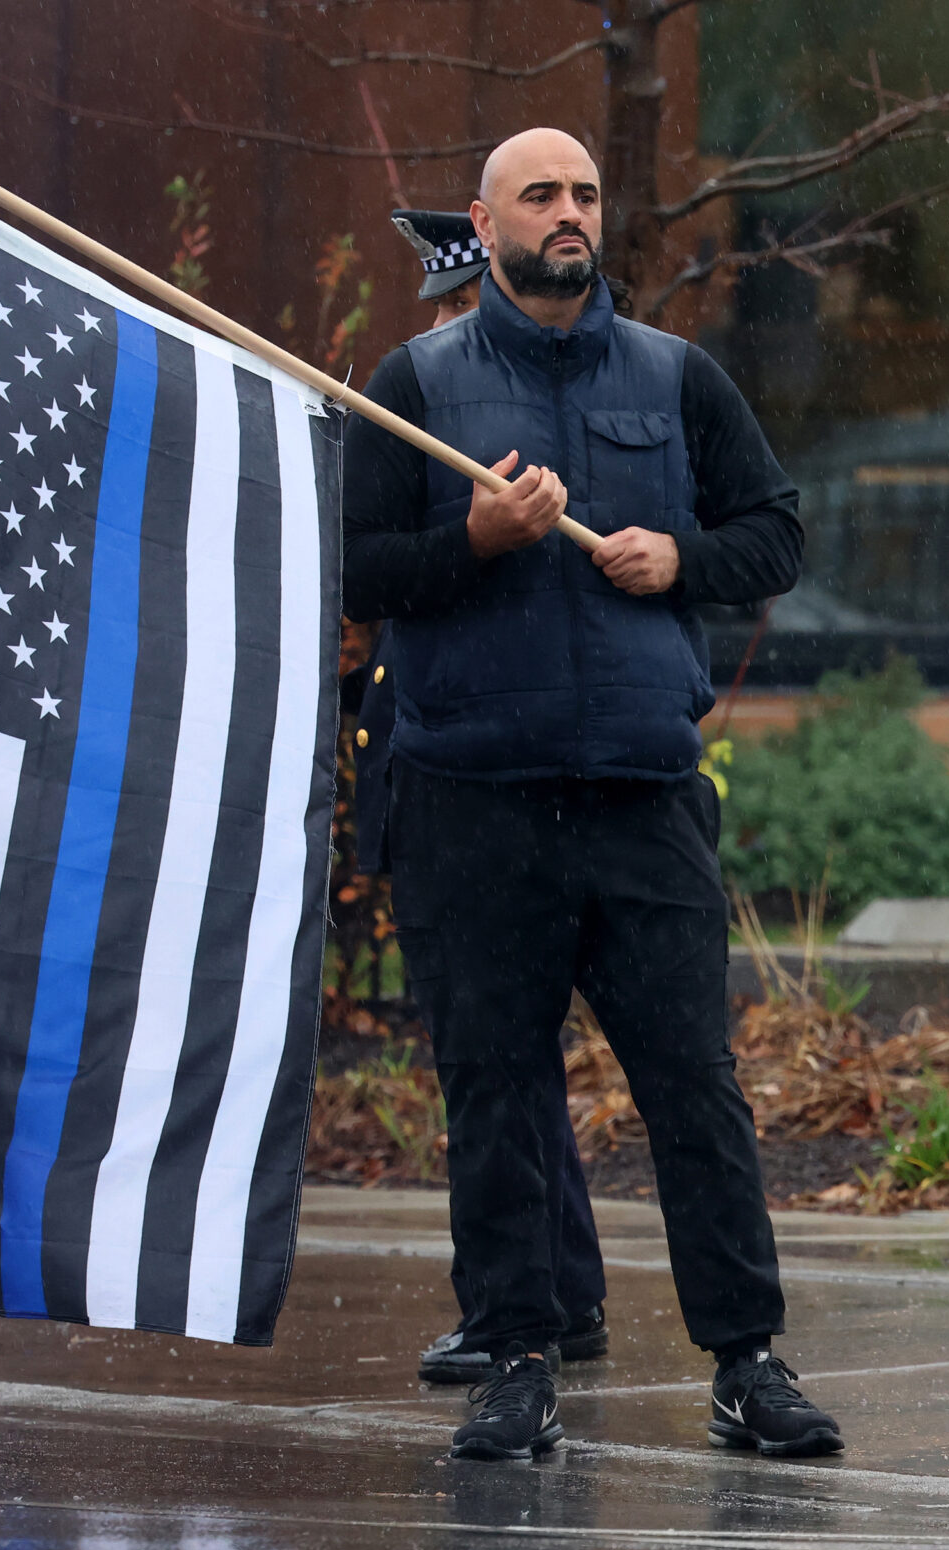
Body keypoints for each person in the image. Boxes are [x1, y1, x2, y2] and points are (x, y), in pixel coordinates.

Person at [342, 129, 843, 1464]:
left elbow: (776, 531)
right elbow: (356, 569)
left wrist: (681, 558)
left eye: (585, 196)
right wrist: (477, 541)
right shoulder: (416, 386)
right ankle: (518, 1355)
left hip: (641, 797)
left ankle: (747, 1362)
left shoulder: (678, 377)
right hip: (473, 798)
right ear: (484, 221)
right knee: (494, 1091)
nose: (570, 216)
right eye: (542, 197)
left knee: (694, 1088)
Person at [359, 207, 611, 1389]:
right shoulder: (412, 407)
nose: (455, 333)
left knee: (498, 1058)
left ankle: (541, 1299)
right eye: (448, 312)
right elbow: (377, 568)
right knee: (497, 1061)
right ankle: (548, 1287)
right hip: (430, 752)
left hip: (515, 772)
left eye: (464, 306)